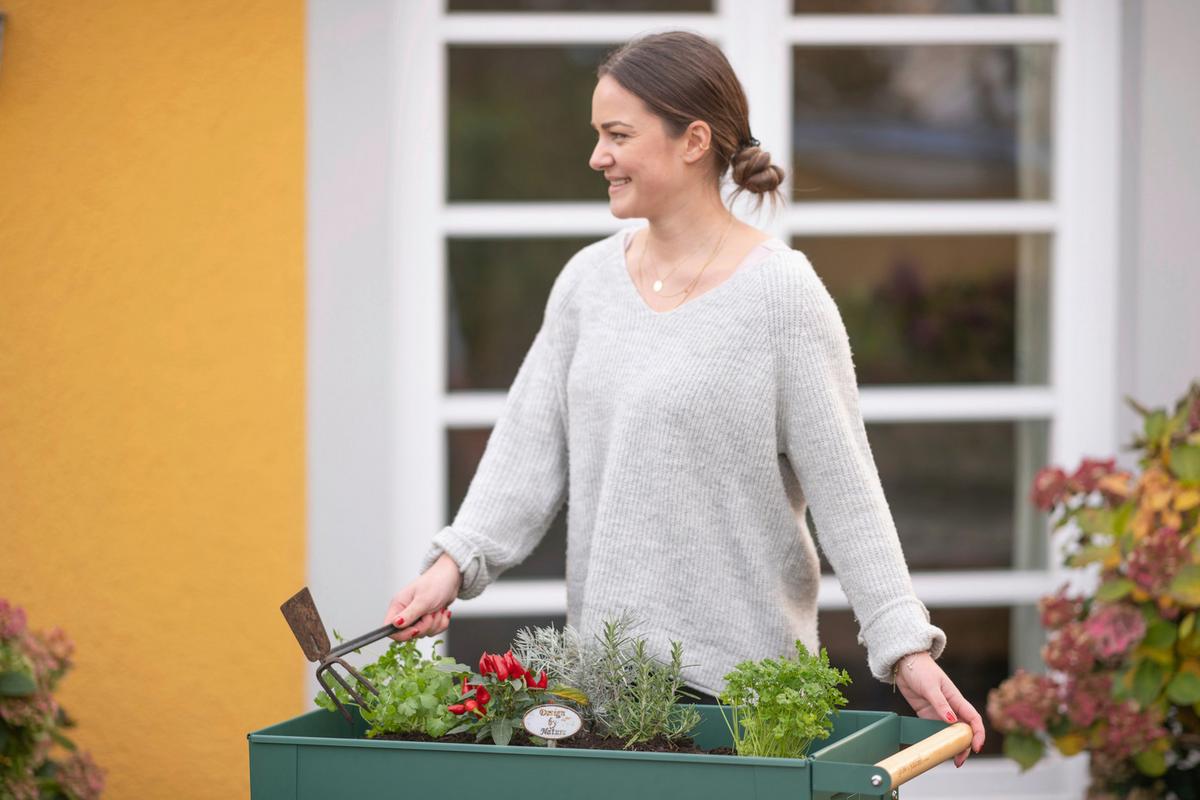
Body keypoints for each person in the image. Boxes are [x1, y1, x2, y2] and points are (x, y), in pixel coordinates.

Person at [383, 30, 985, 766]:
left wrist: (905, 650)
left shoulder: (781, 296)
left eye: (618, 135)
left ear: (693, 139)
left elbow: (847, 493)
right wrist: (450, 565)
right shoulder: (586, 285)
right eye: (597, 135)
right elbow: (526, 453)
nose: (598, 156)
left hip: (743, 706)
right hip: (605, 699)